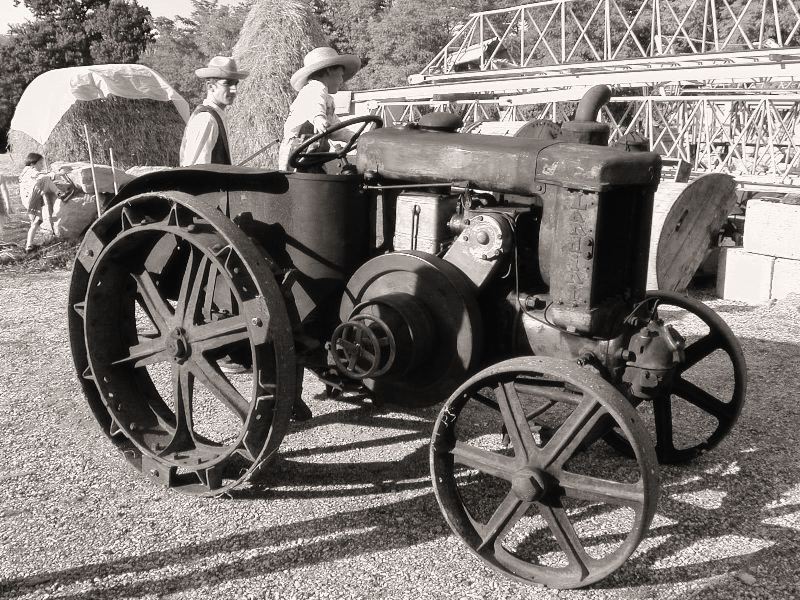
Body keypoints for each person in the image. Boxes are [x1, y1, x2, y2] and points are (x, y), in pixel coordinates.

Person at [278, 46, 362, 171]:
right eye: (341, 76)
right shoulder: (314, 88)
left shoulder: (328, 100)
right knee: (299, 181)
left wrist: (358, 138)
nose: (342, 81)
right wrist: (318, 118)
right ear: (328, 71)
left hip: (315, 153)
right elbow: (314, 105)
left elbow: (336, 129)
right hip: (298, 151)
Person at [179, 56, 249, 166]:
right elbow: (194, 172)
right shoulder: (206, 120)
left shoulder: (217, 117)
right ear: (211, 86)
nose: (234, 89)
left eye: (235, 84)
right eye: (227, 83)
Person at [18, 152, 58, 253]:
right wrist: (54, 174)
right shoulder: (31, 171)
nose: (42, 166)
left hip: (27, 200)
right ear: (32, 164)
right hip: (32, 199)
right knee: (47, 179)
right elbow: (40, 176)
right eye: (40, 164)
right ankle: (61, 194)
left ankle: (29, 246)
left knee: (35, 222)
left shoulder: (25, 172)